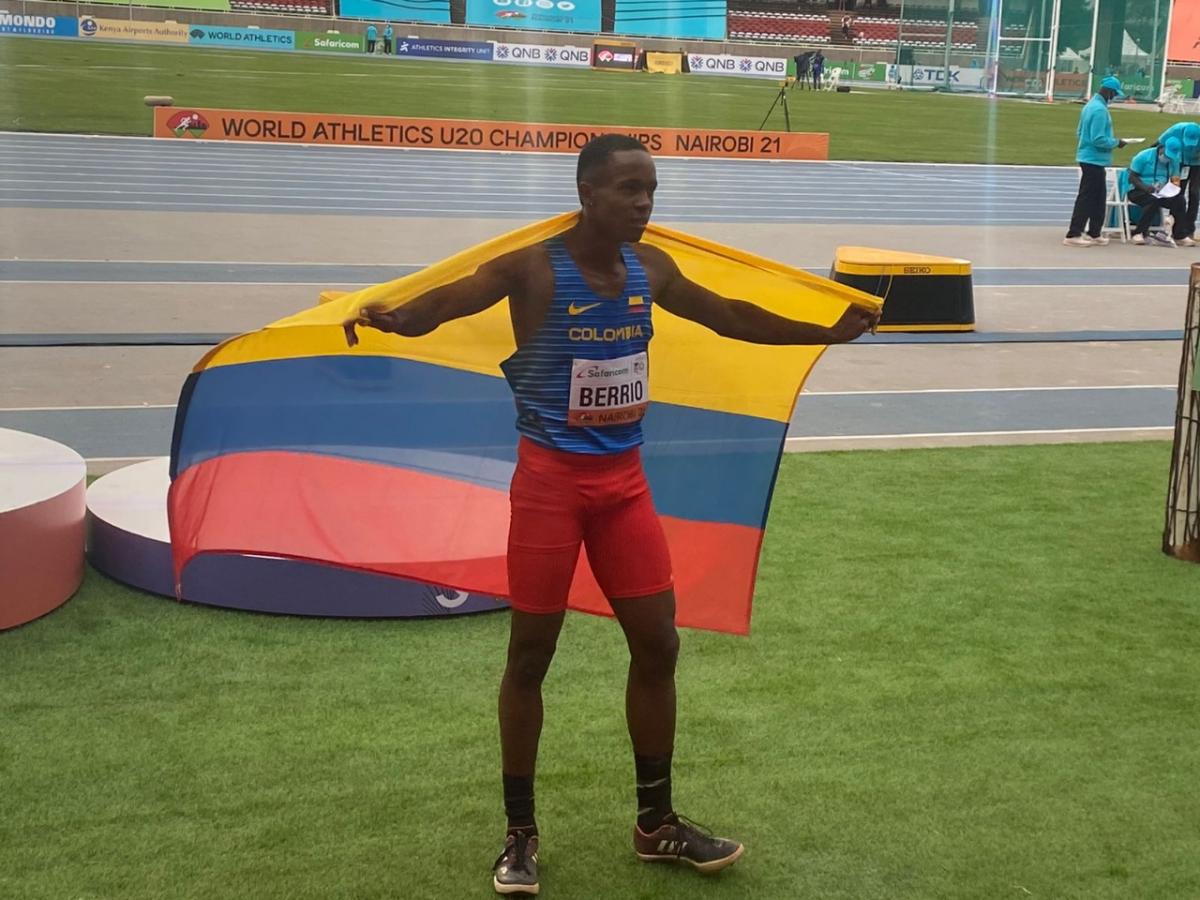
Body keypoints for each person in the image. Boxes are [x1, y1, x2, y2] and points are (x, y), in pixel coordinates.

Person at [348, 134, 878, 897]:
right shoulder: (532, 269)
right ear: (587, 193)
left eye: (651, 190)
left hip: (623, 488)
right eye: (629, 189)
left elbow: (727, 314)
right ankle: (520, 834)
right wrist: (398, 317)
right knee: (531, 656)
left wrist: (823, 331)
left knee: (658, 645)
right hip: (549, 488)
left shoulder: (650, 268)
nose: (643, 204)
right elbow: (451, 299)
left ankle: (655, 823)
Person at [1064, 75, 1128, 247]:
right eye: (1115, 94)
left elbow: (1080, 132)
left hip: (1091, 158)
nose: (1115, 97)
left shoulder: (1090, 106)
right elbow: (1098, 138)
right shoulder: (1099, 110)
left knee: (1098, 197)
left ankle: (1094, 232)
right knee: (1087, 197)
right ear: (1109, 92)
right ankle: (1073, 233)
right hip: (1093, 159)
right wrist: (1116, 142)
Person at [1122, 138, 1186, 246]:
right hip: (1138, 190)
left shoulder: (1174, 160)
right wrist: (1145, 188)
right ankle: (1138, 232)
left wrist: (1174, 187)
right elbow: (1132, 177)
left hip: (1161, 192)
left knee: (1180, 200)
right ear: (1162, 147)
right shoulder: (1143, 156)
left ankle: (1178, 235)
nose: (1168, 158)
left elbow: (1175, 178)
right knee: (1153, 200)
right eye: (1167, 155)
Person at [1154, 121, 1200, 246]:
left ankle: (1189, 228)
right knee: (1178, 193)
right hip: (1180, 164)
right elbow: (1158, 144)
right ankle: (1176, 228)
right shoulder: (1175, 130)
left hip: (1197, 164)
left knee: (1194, 193)